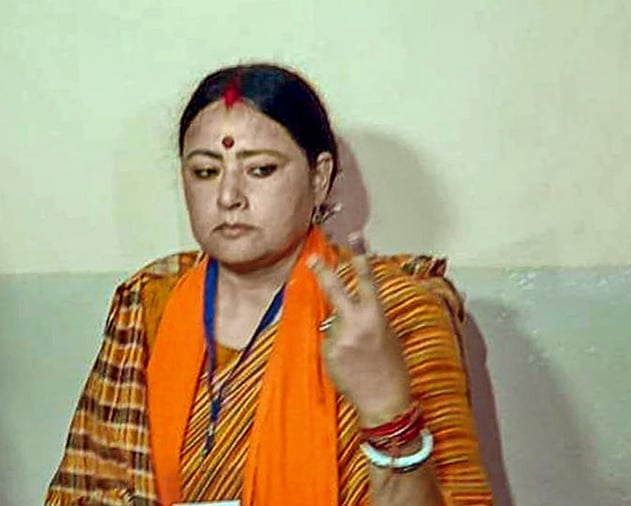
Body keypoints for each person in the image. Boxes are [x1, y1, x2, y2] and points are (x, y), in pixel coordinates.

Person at [45, 63, 493, 506]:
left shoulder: (393, 313)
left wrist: (387, 412)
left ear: (319, 178)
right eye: (205, 172)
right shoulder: (147, 303)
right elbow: (85, 490)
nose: (228, 196)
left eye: (260, 170)